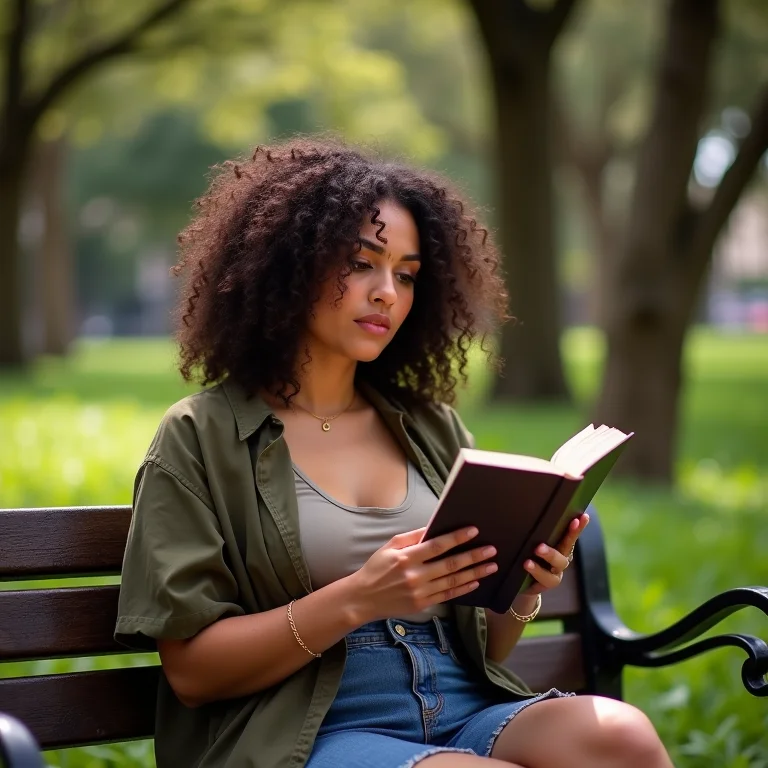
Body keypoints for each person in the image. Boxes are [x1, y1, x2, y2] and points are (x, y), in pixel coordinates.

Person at [115, 138, 673, 768]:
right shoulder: (200, 437)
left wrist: (522, 587)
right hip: (306, 729)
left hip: (461, 706)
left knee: (621, 737)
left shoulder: (431, 428)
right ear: (288, 264)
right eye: (361, 263)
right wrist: (359, 597)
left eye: (406, 274)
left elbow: (487, 651)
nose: (387, 292)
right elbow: (192, 670)